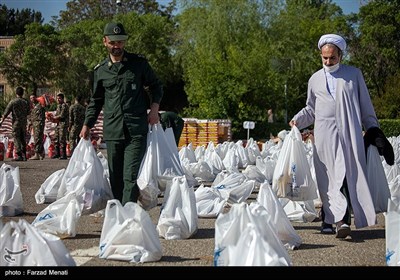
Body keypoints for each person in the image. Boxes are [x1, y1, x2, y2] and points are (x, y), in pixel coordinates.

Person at [288, 34, 386, 239]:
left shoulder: (353, 75)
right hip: (324, 136)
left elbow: (366, 105)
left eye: (332, 58)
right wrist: (297, 120)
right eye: (324, 58)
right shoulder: (314, 79)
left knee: (347, 176)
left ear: (340, 55)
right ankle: (330, 219)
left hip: (349, 133)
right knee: (327, 178)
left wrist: (373, 129)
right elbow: (311, 109)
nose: (328, 62)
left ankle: (343, 221)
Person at [80, 22, 163, 205]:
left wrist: (154, 108)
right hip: (113, 131)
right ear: (105, 42)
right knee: (115, 177)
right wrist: (87, 124)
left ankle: (128, 216)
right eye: (113, 42)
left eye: (120, 42)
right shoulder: (100, 71)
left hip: (136, 129)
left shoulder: (138, 64)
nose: (117, 46)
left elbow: (156, 86)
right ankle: (118, 214)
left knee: (130, 176)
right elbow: (96, 100)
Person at [0, 86, 30, 161]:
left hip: (16, 122)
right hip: (24, 122)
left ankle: (19, 154)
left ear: (16, 93)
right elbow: (29, 112)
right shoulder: (26, 102)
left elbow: (6, 112)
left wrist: (1, 121)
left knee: (16, 137)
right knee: (23, 137)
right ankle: (24, 154)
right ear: (22, 93)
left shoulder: (13, 101)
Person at [48, 93, 69, 160]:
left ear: (62, 99)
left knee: (62, 139)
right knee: (56, 138)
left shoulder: (64, 106)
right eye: (57, 98)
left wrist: (54, 117)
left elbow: (62, 115)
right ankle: (57, 153)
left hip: (63, 124)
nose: (58, 100)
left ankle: (64, 154)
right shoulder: (58, 106)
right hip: (58, 124)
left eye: (59, 98)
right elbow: (57, 114)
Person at [28, 94, 49, 160]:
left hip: (39, 124)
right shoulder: (32, 107)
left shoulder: (40, 105)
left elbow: (46, 105)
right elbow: (32, 116)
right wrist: (30, 124)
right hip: (35, 124)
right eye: (31, 98)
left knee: (37, 139)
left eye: (33, 97)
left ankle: (37, 154)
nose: (32, 99)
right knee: (38, 138)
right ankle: (41, 153)